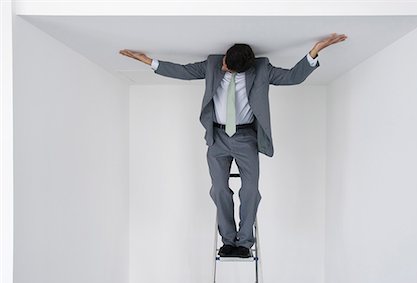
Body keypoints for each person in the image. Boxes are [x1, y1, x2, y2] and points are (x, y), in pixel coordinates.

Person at [119, 33, 347, 258]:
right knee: (219, 190)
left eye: (228, 66)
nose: (224, 66)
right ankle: (228, 240)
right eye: (225, 61)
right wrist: (149, 62)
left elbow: (292, 77)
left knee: (250, 191)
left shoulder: (261, 69)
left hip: (245, 138)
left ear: (244, 68)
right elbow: (184, 71)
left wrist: (315, 50)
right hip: (217, 137)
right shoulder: (212, 64)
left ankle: (245, 243)